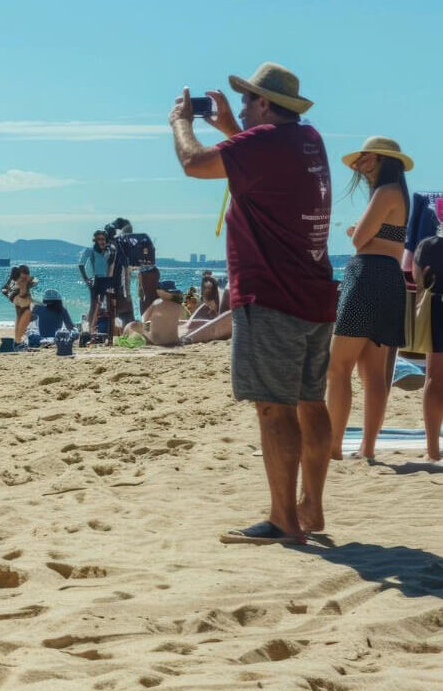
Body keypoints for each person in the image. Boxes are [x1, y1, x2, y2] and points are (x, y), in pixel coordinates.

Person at [170, 62, 337, 544]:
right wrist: (229, 126)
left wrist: (181, 120)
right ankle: (311, 507)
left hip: (271, 294)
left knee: (273, 408)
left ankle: (284, 519)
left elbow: (193, 163)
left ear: (265, 104)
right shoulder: (309, 140)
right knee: (310, 401)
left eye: (246, 101)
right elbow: (258, 154)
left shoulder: (263, 145)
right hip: (314, 290)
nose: (239, 107)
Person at [325, 136, 412, 460]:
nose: (359, 165)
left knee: (338, 367)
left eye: (365, 158)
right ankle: (368, 448)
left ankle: (334, 446)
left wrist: (357, 232)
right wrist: (363, 232)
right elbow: (382, 237)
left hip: (367, 276)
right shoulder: (398, 194)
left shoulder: (385, 193)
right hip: (390, 278)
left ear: (379, 160)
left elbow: (361, 240)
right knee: (373, 373)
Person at [411, 217, 443, 461]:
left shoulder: (429, 245)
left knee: (434, 378)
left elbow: (418, 277)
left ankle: (433, 451)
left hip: (438, 307)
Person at [79, 229, 115, 315]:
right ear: (95, 240)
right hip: (97, 280)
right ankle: (90, 325)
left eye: (103, 239)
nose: (101, 241)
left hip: (109, 280)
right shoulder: (91, 250)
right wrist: (86, 279)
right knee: (94, 306)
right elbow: (81, 264)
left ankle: (108, 326)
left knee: (110, 306)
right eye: (99, 239)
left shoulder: (110, 251)